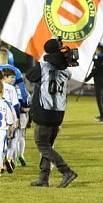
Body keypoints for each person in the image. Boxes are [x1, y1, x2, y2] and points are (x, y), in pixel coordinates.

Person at [25, 38, 79, 188]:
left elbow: (30, 75)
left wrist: (46, 59)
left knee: (42, 145)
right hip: (59, 112)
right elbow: (62, 69)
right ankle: (43, 178)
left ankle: (66, 171)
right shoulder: (65, 70)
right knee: (48, 145)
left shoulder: (43, 67)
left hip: (45, 110)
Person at [84, 44, 103, 122]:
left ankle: (102, 117)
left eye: (96, 49)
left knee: (99, 99)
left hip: (98, 81)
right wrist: (95, 60)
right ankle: (102, 115)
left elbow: (94, 72)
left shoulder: (98, 61)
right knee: (102, 99)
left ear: (99, 50)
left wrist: (87, 79)